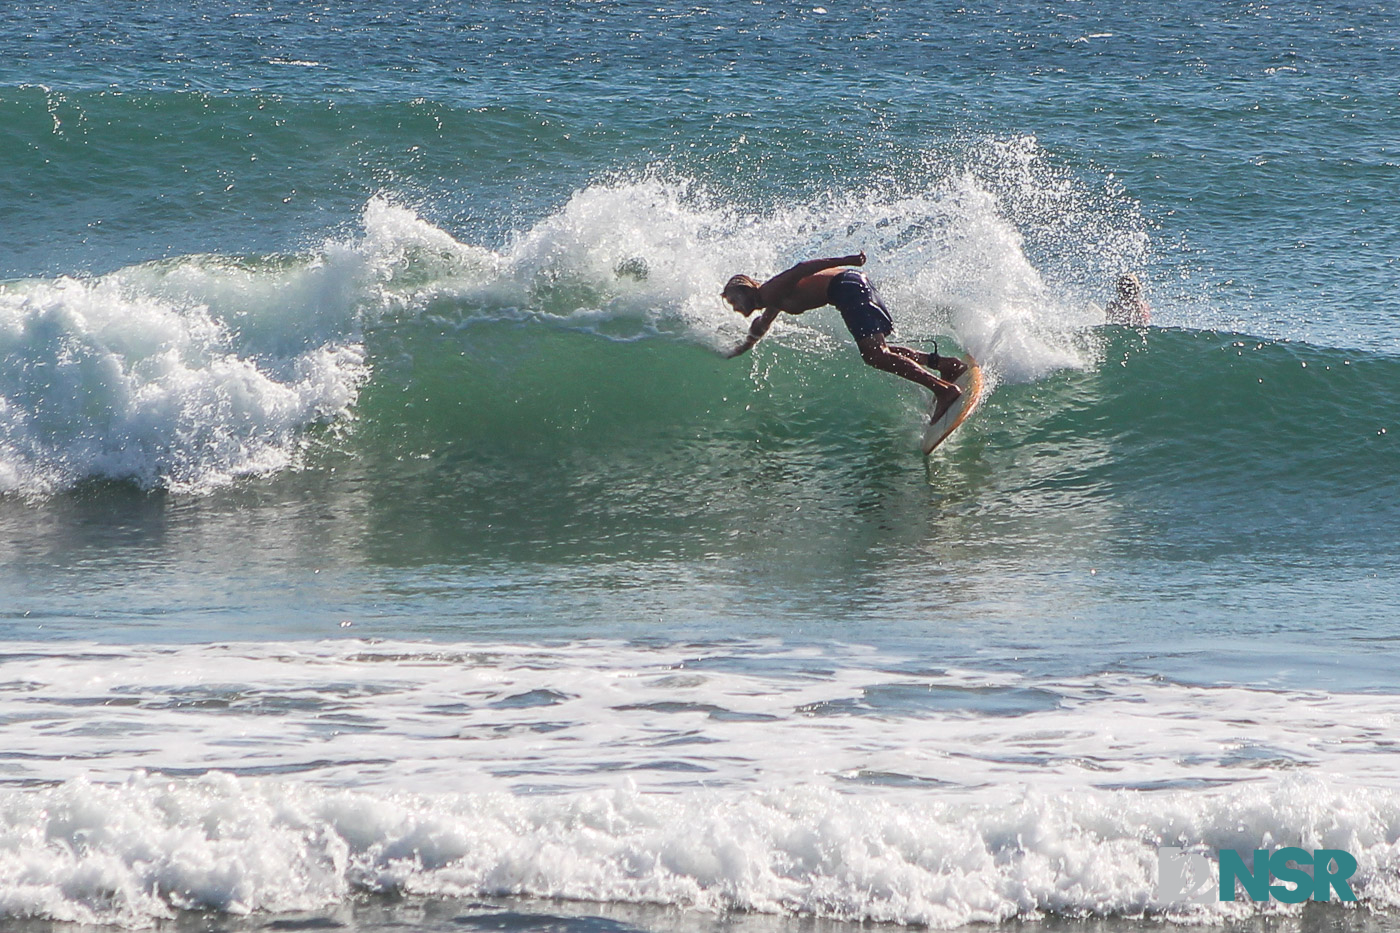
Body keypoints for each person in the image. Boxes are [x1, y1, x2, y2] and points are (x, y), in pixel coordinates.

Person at [721, 252, 968, 422]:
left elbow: (802, 268)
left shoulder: (770, 290)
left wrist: (848, 259)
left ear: (746, 290)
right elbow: (762, 323)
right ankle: (946, 364)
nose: (734, 308)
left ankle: (943, 390)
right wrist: (743, 347)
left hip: (847, 288)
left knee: (874, 355)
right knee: (879, 351)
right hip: (850, 286)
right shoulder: (770, 299)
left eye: (734, 301)